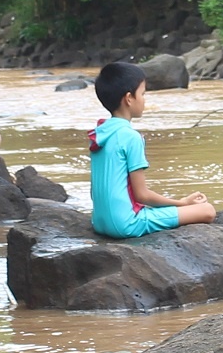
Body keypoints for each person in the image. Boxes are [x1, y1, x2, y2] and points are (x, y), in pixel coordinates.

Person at [87, 61, 214, 237]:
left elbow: (95, 191)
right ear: (129, 98)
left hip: (100, 223)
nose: (145, 100)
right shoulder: (131, 137)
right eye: (143, 94)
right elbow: (142, 195)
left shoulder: (100, 133)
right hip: (125, 224)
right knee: (207, 210)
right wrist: (182, 203)